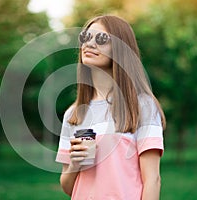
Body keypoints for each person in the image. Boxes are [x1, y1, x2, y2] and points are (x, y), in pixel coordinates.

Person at [55, 15, 166, 200]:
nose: (89, 44)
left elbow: (152, 180)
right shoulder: (73, 115)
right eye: (85, 37)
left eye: (101, 39)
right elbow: (68, 188)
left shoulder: (142, 106)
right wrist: (74, 164)